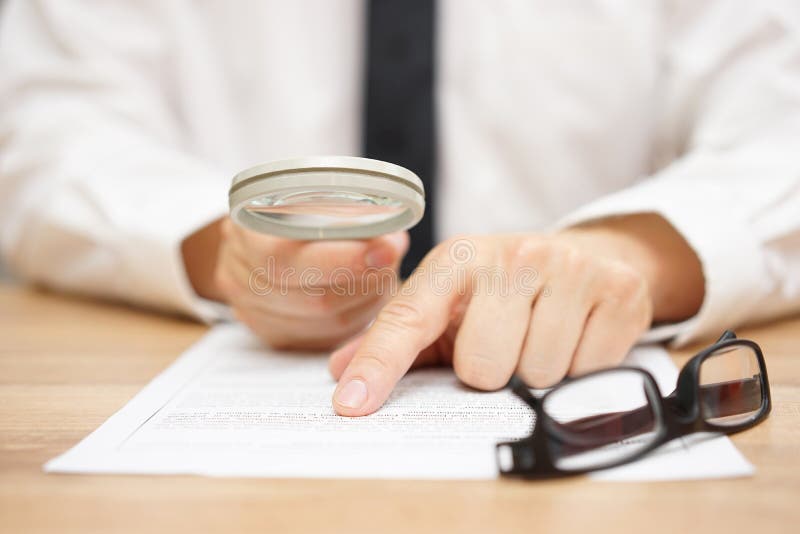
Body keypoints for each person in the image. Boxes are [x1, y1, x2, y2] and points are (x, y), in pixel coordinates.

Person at [1, 1, 798, 418]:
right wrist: (233, 256)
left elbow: (782, 123)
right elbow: (46, 130)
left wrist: (631, 258)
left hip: (582, 377)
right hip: (238, 366)